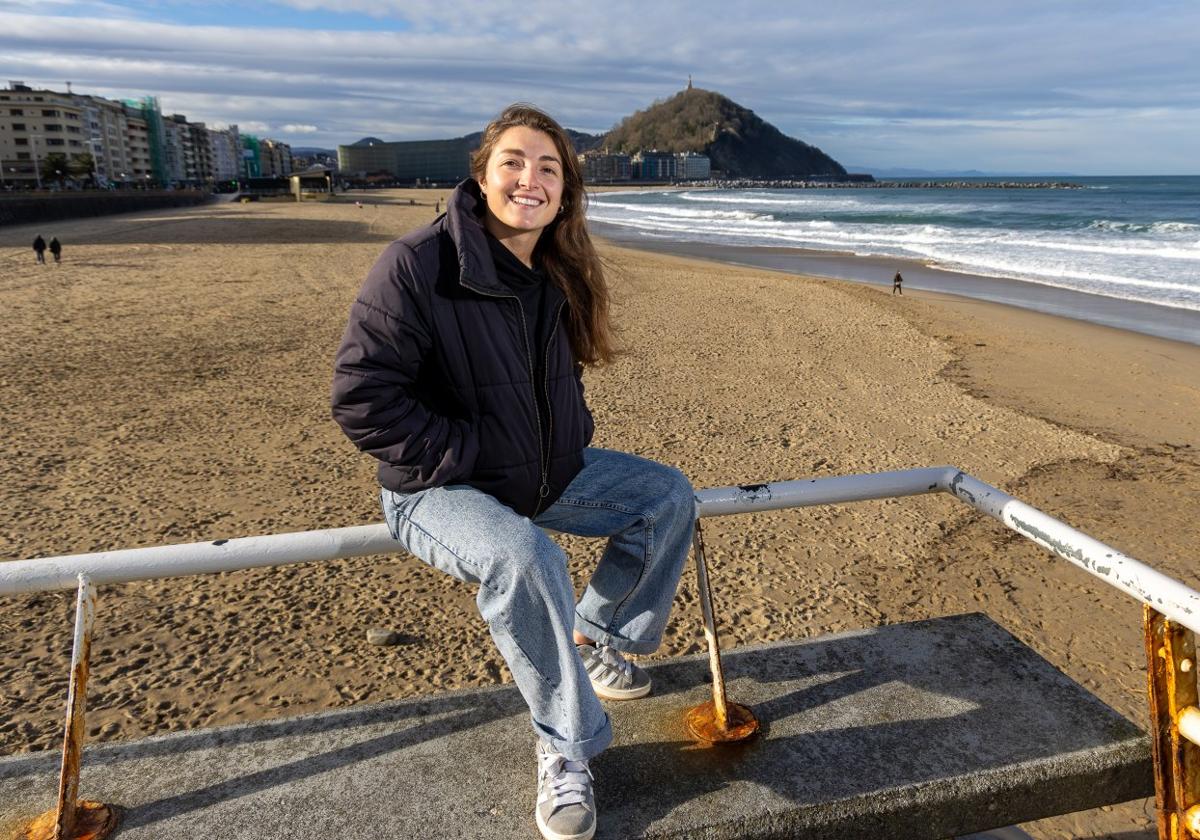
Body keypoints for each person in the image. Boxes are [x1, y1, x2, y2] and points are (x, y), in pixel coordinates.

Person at [331, 104, 695, 840]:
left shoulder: (556, 269)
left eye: (549, 168)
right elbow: (361, 398)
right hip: (435, 488)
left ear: (566, 190)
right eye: (514, 163)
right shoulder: (419, 264)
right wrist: (465, 456)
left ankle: (595, 639)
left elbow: (559, 380)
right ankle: (565, 752)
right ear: (482, 175)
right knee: (527, 557)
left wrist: (571, 437)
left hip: (544, 473)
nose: (531, 179)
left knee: (666, 497)